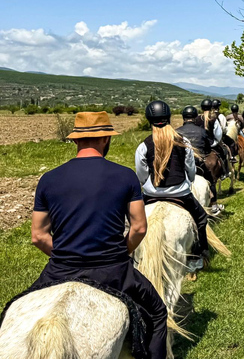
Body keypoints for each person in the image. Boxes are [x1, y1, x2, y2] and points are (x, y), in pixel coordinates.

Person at [27, 111, 167, 358]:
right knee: (157, 312)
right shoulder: (125, 176)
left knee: (15, 311)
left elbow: (38, 235)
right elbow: (139, 227)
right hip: (113, 270)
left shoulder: (48, 180)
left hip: (60, 269)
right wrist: (120, 254)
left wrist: (64, 254)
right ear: (105, 139)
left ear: (75, 140)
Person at [135, 101, 209, 272]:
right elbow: (190, 168)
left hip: (151, 194)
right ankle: (199, 255)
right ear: (168, 118)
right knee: (201, 219)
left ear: (149, 120)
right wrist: (189, 180)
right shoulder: (182, 141)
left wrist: (150, 185)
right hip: (181, 194)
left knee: (131, 223)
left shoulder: (143, 146)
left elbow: (141, 173)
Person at [176, 105, 223, 215]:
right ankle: (214, 204)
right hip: (199, 164)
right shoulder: (202, 131)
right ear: (195, 117)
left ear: (183, 118)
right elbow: (208, 148)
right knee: (211, 180)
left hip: (182, 165)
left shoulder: (176, 132)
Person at [200, 98, 229, 177]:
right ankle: (224, 172)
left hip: (200, 145)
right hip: (211, 144)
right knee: (224, 151)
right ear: (211, 108)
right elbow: (218, 134)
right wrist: (217, 141)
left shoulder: (197, 119)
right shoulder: (214, 119)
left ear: (201, 108)